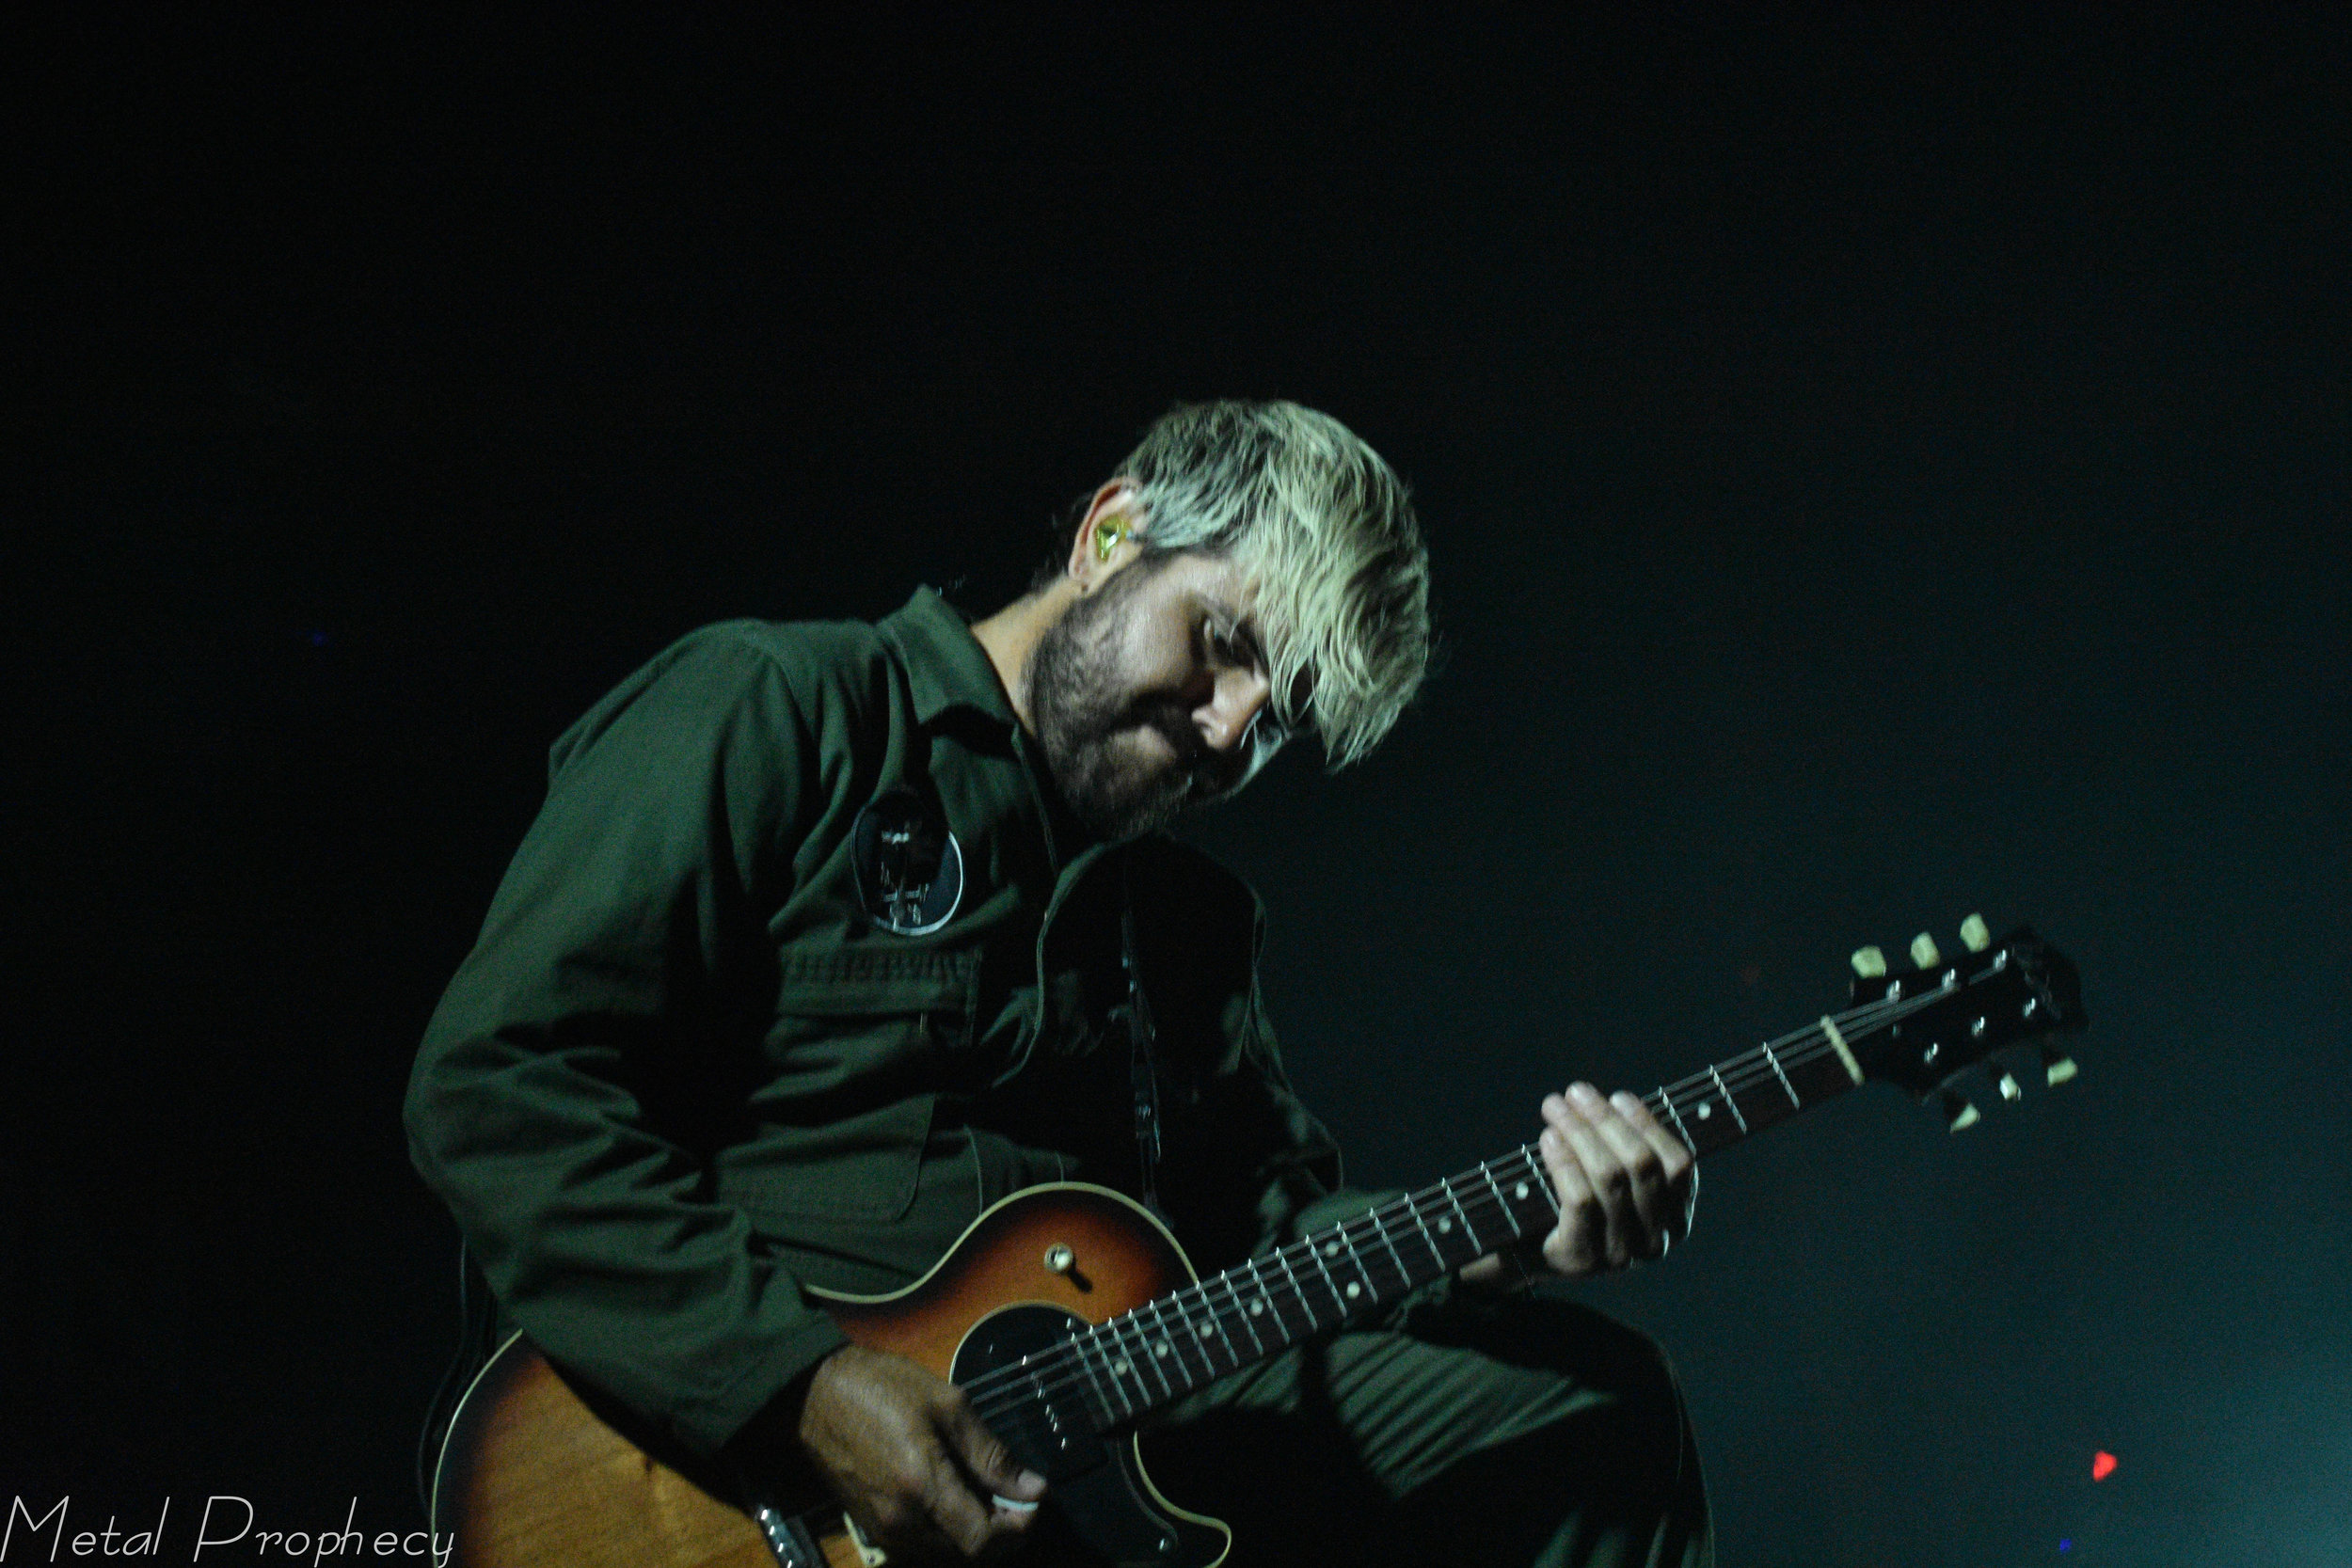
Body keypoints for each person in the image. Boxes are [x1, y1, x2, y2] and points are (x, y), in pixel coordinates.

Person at [405, 400, 1710, 1566]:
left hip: (1094, 1462)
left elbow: (1258, 1233)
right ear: (1110, 536)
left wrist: (1506, 1239)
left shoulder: (1189, 925)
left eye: (1282, 716)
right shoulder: (783, 707)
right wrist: (796, 1389)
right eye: (1224, 639)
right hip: (742, 1477)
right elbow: (499, 1086)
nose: (1234, 725)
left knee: (1593, 1410)